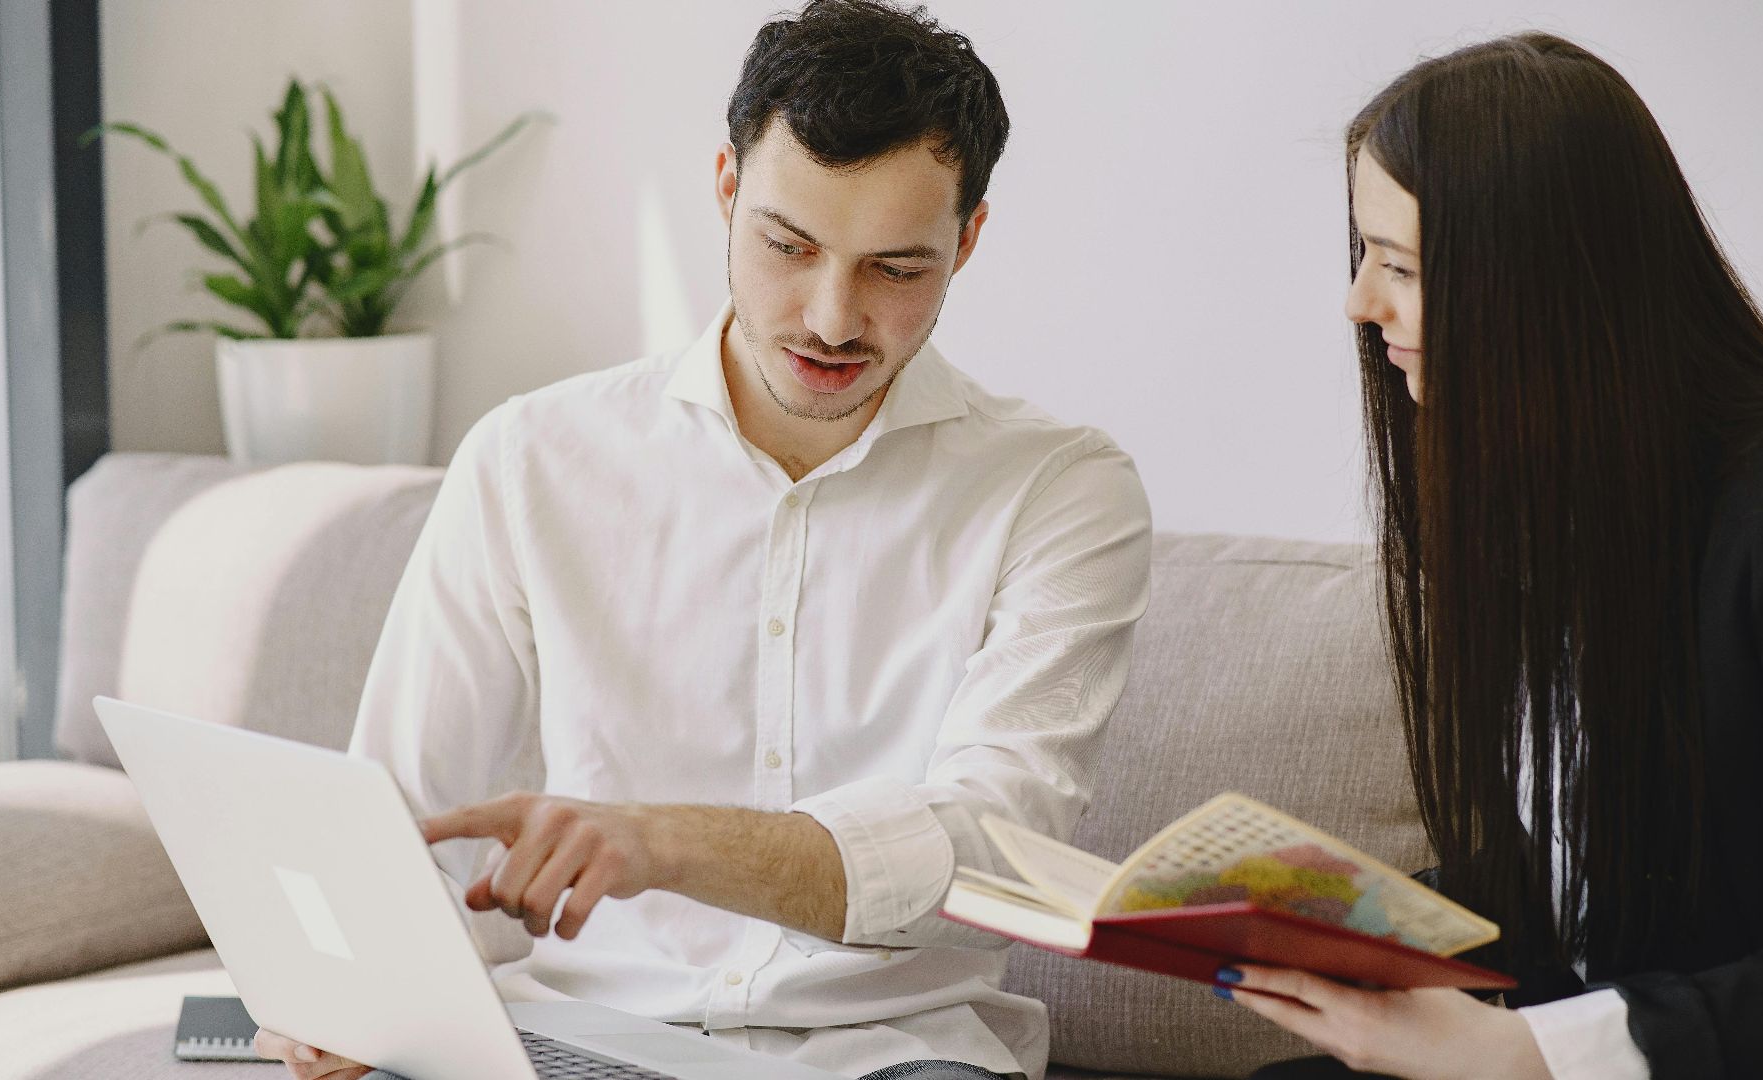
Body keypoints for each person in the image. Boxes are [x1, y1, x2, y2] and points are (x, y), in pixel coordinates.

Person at [252, 3, 1152, 1079]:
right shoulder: (531, 458)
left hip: (891, 1056)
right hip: (575, 1038)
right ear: (726, 187)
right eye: (788, 245)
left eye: (896, 270)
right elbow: (397, 816)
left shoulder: (1059, 491)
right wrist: (346, 992)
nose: (829, 317)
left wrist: (659, 843)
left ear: (968, 239)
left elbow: (992, 851)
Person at [1212, 33, 1763, 1080]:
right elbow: (1583, 894)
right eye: (1363, 255)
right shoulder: (1552, 511)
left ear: (1540, 281)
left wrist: (1522, 1054)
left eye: (1401, 265)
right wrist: (1326, 925)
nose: (1359, 303)